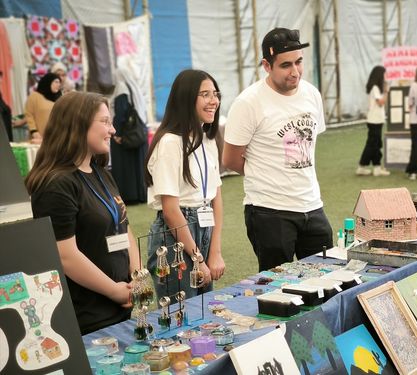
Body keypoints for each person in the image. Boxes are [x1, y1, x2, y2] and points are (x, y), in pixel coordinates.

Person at [25, 92, 140, 334]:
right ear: (78, 124)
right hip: (89, 316)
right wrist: (113, 290)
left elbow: (123, 223)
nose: (112, 130)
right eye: (105, 121)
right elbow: (65, 256)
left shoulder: (101, 173)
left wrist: (136, 276)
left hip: (121, 304)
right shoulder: (56, 184)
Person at [222, 27, 333, 272]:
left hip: (312, 205)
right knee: (277, 291)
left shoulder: (312, 94)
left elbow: (310, 148)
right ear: (267, 65)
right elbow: (230, 159)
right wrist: (266, 173)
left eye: (299, 62)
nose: (295, 72)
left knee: (325, 282)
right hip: (269, 211)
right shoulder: (248, 102)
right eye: (286, 65)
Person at [145, 69, 225, 302]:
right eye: (205, 95)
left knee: (202, 311)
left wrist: (215, 252)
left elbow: (215, 197)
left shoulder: (207, 138)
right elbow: (171, 211)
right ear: (186, 99)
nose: (214, 101)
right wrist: (198, 259)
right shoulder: (170, 142)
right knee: (180, 316)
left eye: (215, 94)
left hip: (203, 227)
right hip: (174, 236)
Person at [110, 68, 148, 204]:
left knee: (125, 166)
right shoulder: (133, 88)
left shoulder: (121, 88)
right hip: (136, 134)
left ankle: (129, 196)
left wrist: (117, 134)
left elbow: (121, 113)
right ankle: (140, 194)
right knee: (137, 166)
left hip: (125, 134)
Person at [356, 65, 390, 176]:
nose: (386, 77)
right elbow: (380, 103)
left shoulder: (376, 87)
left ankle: (376, 167)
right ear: (380, 75)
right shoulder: (375, 87)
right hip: (374, 120)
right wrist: (386, 92)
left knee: (375, 144)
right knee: (372, 145)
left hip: (377, 120)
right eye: (384, 74)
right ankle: (362, 166)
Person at [25, 72, 62, 143]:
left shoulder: (60, 98)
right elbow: (29, 115)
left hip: (56, 139)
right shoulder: (35, 96)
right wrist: (34, 131)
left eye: (59, 82)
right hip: (38, 138)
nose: (58, 85)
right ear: (48, 82)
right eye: (56, 82)